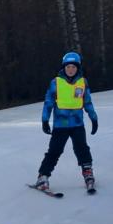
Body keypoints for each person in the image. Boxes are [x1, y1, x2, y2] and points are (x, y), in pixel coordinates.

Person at [34, 51, 98, 194]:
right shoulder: (55, 82)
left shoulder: (83, 82)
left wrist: (94, 118)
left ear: (78, 68)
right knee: (54, 151)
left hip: (77, 124)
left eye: (73, 67)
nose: (70, 69)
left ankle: (88, 173)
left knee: (82, 149)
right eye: (68, 67)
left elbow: (87, 102)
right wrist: (45, 120)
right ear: (64, 67)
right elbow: (48, 102)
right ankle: (43, 176)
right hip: (60, 125)